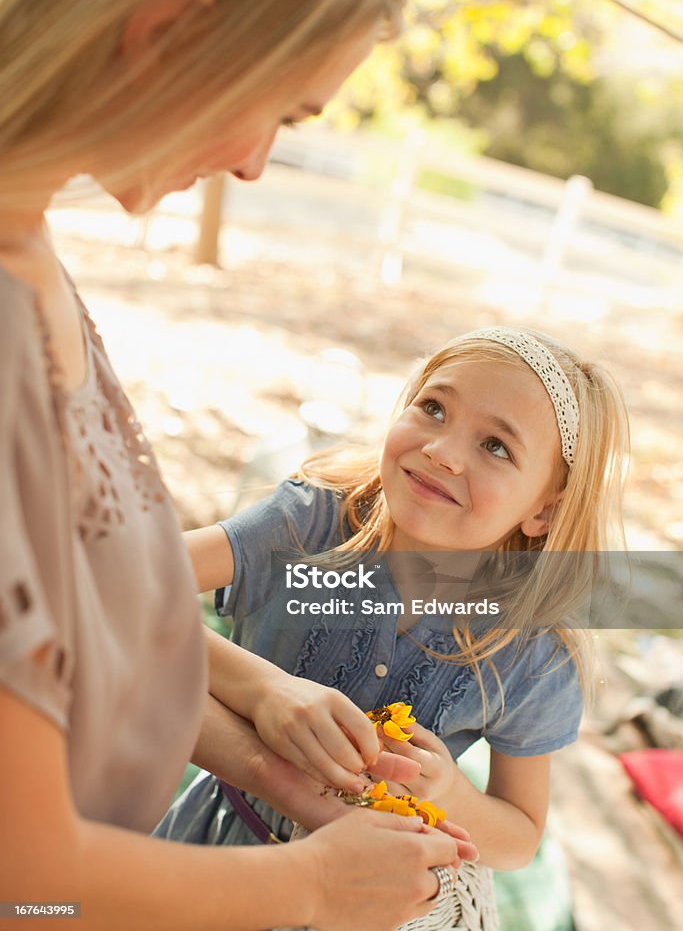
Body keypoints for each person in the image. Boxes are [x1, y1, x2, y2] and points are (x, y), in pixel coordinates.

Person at [0, 0, 478, 929]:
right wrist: (310, 883)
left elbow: (67, 600)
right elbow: (26, 874)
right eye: (283, 113)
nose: (257, 165)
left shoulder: (32, 249)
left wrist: (257, 708)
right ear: (170, 28)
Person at [157, 327, 629, 930]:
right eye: (433, 408)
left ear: (544, 510)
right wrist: (263, 686)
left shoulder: (535, 652)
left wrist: (451, 796)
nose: (442, 452)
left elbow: (520, 836)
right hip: (219, 854)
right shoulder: (308, 524)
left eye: (497, 447)